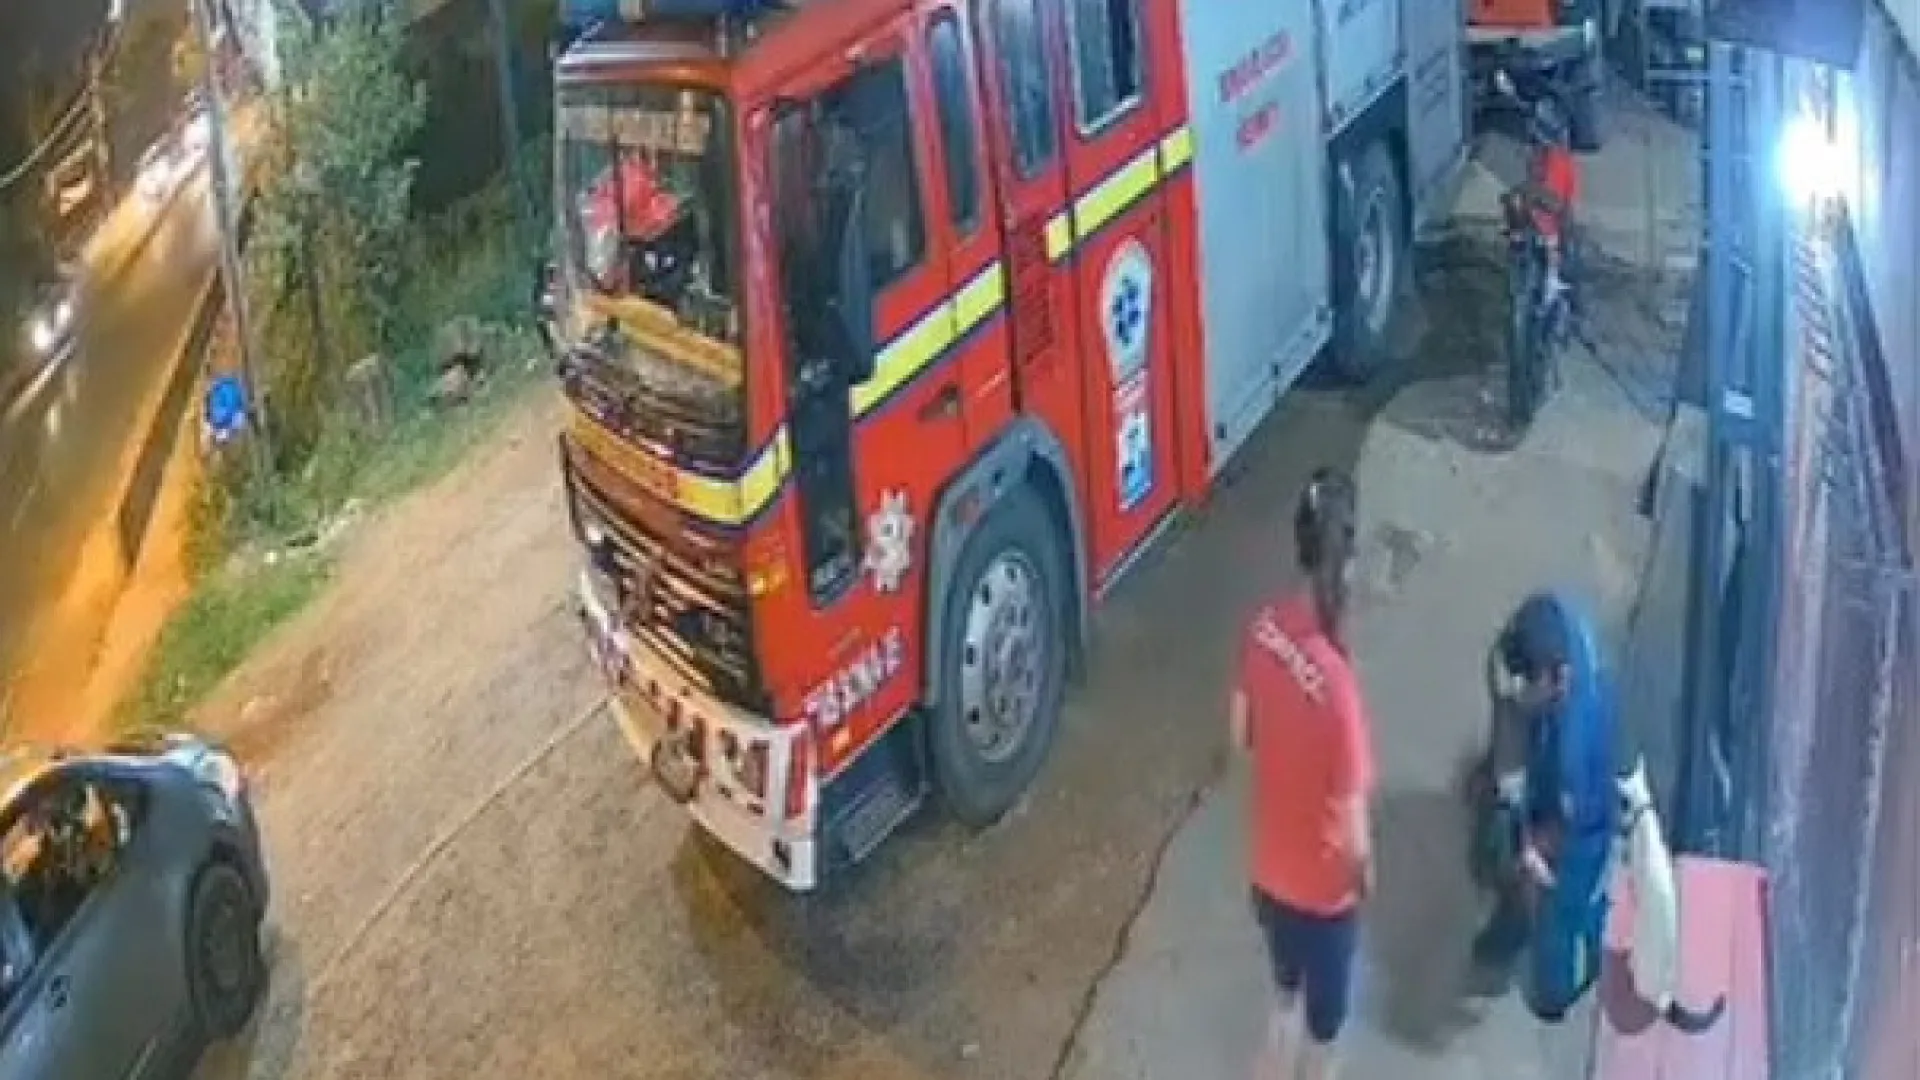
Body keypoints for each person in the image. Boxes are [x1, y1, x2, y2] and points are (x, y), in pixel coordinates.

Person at [1230, 468, 1375, 1080]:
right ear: (1349, 560)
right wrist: (1366, 879)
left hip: (1269, 879)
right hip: (1324, 900)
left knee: (1282, 1002)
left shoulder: (1261, 630)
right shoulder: (1340, 688)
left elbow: (1240, 736)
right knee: (1324, 1038)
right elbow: (1353, 837)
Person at [1470, 591, 1618, 1022]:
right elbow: (1508, 684)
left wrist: (1530, 852)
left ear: (1558, 678)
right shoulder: (1547, 620)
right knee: (1504, 830)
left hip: (1583, 826)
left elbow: (1561, 828)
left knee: (1560, 912)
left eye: (1526, 694)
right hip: (1549, 753)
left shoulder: (1575, 751)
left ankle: (1557, 994)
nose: (1518, 699)